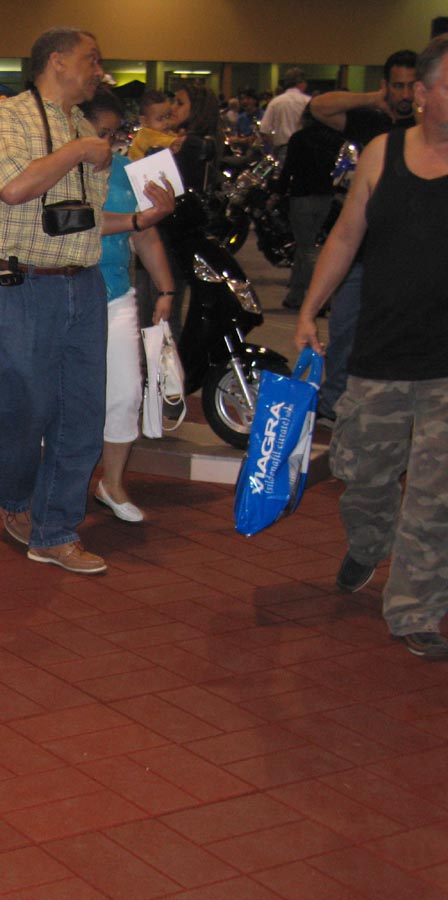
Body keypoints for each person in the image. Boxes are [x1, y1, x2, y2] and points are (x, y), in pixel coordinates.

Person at [0, 27, 170, 573]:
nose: (100, 71)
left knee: (82, 413)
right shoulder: (8, 118)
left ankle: (56, 530)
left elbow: (82, 219)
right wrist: (79, 152)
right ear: (57, 61)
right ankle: (15, 497)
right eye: (92, 59)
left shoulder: (82, 126)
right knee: (27, 408)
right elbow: (14, 187)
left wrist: (141, 220)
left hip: (84, 284)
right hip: (22, 285)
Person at [293, 34, 448, 660]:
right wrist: (309, 310)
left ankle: (416, 609)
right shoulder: (383, 153)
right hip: (380, 353)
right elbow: (345, 236)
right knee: (363, 479)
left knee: (436, 496)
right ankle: (368, 543)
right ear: (423, 94)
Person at [307, 49, 418, 420]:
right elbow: (319, 107)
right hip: (357, 253)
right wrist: (374, 98)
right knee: (343, 332)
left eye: (412, 86)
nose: (405, 94)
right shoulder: (367, 120)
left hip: (402, 256)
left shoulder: (424, 131)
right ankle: (334, 404)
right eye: (397, 86)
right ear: (386, 86)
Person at [83, 89, 177, 523]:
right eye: (98, 133)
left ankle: (113, 483)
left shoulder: (129, 172)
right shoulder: (58, 171)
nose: (107, 142)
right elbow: (78, 223)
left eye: (113, 133)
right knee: (65, 397)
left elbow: (146, 236)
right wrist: (139, 219)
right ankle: (53, 485)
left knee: (124, 393)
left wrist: (166, 290)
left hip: (116, 294)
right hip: (61, 293)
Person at [278, 109, 343, 309]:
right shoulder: (333, 138)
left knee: (306, 249)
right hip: (324, 195)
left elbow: (289, 168)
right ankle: (296, 294)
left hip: (302, 194)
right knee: (305, 243)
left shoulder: (299, 139)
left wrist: (279, 191)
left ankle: (322, 297)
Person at [259, 67, 310, 160]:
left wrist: (273, 145)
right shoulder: (308, 101)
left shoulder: (275, 102)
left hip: (282, 148)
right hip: (304, 148)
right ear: (301, 83)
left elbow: (264, 130)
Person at [127, 89, 175, 161]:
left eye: (168, 116)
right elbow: (161, 142)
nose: (166, 122)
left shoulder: (166, 132)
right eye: (160, 119)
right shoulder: (145, 135)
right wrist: (177, 141)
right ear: (144, 121)